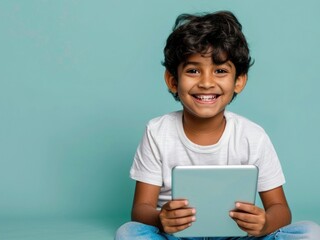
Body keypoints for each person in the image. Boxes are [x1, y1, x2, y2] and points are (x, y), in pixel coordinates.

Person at [115, 11, 320, 239]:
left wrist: (265, 223)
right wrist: (161, 219)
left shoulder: (252, 136)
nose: (206, 82)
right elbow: (141, 208)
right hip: (176, 235)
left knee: (310, 232)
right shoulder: (157, 132)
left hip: (237, 235)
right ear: (173, 81)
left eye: (220, 71)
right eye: (193, 71)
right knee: (128, 233)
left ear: (238, 81)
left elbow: (281, 210)